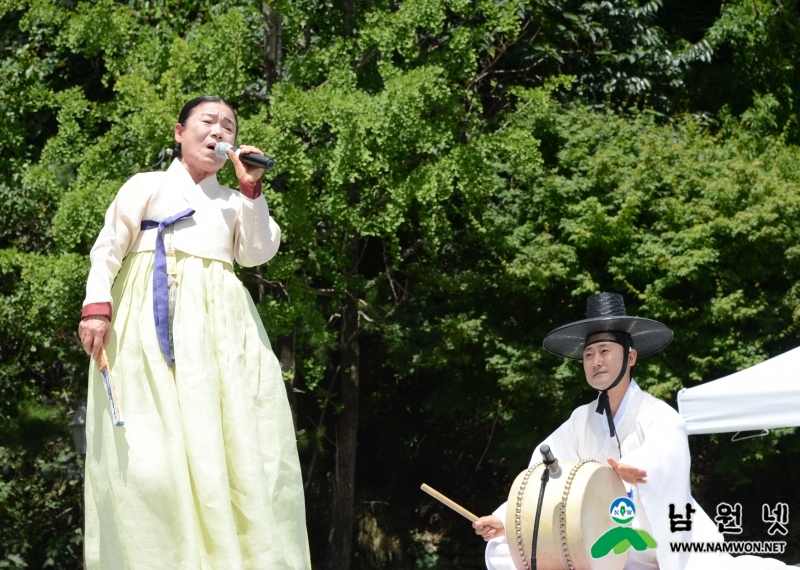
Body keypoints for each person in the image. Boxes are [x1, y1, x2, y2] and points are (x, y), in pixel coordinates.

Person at [77, 95, 310, 569]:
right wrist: (96, 309)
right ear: (179, 132)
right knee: (148, 459)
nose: (218, 132)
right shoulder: (145, 185)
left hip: (219, 333)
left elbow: (258, 252)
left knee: (227, 443)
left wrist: (251, 190)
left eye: (228, 126)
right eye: (207, 122)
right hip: (144, 327)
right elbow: (107, 250)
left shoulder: (232, 201)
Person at [473, 292, 788, 570]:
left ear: (631, 356)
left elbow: (669, 445)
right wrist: (504, 518)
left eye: (606, 351)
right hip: (598, 533)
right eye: (588, 354)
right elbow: (542, 473)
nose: (596, 361)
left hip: (651, 534)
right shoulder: (580, 420)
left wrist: (641, 467)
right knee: (504, 547)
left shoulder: (657, 413)